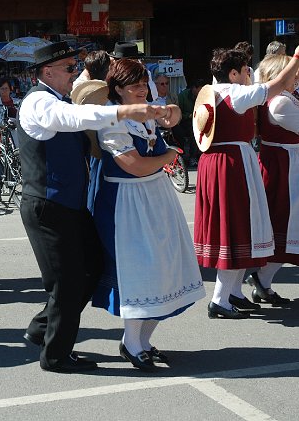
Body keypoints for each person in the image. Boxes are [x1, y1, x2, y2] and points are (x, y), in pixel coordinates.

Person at [17, 40, 171, 373]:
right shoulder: (39, 103)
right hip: (47, 204)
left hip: (70, 203)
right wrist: (125, 110)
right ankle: (55, 356)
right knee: (67, 283)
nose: (76, 74)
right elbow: (72, 117)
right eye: (70, 68)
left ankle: (43, 328)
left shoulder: (60, 97)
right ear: (47, 72)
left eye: (76, 67)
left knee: (93, 266)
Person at [89, 58, 205, 371]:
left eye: (144, 84)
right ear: (118, 90)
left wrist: (168, 113)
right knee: (139, 271)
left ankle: (142, 341)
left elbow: (175, 115)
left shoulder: (146, 113)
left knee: (165, 268)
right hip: (125, 202)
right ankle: (131, 342)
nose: (142, 90)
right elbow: (136, 165)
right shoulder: (111, 122)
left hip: (155, 196)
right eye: (135, 85)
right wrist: (168, 155)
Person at [193, 34, 299, 319]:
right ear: (233, 73)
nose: (250, 73)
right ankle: (220, 300)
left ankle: (234, 293)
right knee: (238, 230)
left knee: (240, 228)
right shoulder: (234, 94)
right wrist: (297, 55)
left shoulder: (212, 92)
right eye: (246, 70)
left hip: (220, 162)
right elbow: (277, 84)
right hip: (232, 163)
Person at [255, 50, 299, 306]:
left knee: (283, 225)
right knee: (286, 226)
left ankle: (263, 282)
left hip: (286, 162)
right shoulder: (281, 102)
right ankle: (261, 279)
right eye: (291, 73)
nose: (297, 77)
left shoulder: (278, 95)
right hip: (286, 166)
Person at [175, 78, 207, 166]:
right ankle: (191, 157)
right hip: (185, 122)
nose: (200, 93)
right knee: (192, 131)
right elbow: (178, 112)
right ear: (194, 88)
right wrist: (188, 115)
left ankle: (202, 153)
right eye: (199, 90)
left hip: (200, 120)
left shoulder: (204, 97)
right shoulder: (182, 96)